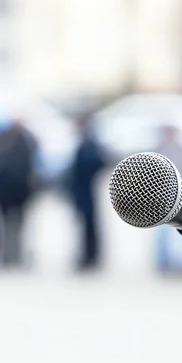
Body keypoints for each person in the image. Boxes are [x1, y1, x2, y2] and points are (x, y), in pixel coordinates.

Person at [0, 118, 37, 268]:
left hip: (16, 195)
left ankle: (12, 256)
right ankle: (11, 256)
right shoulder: (17, 146)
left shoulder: (14, 147)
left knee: (13, 227)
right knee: (12, 227)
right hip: (13, 196)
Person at [154, 125, 182, 276]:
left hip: (179, 200)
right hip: (161, 200)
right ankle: (163, 261)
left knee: (180, 233)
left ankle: (179, 263)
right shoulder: (157, 152)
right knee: (162, 233)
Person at [67, 114, 106, 271]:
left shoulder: (91, 144)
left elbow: (98, 163)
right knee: (83, 226)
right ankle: (86, 256)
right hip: (81, 190)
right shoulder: (83, 144)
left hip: (87, 190)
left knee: (90, 226)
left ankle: (91, 257)